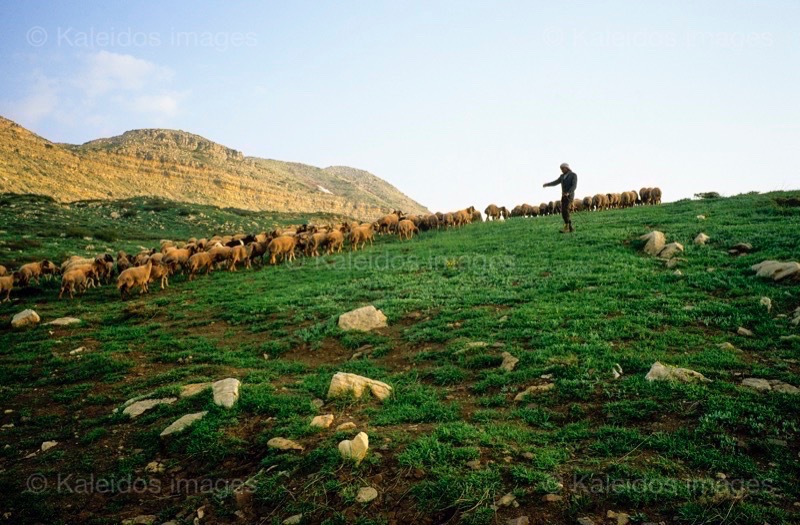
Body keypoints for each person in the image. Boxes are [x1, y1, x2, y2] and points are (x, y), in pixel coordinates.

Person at [543, 163, 578, 233]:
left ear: (567, 168)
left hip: (569, 196)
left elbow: (574, 186)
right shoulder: (562, 176)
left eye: (562, 169)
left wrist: (568, 192)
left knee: (566, 210)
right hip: (563, 196)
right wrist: (547, 184)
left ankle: (567, 227)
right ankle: (570, 227)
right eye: (561, 169)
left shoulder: (573, 175)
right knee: (563, 211)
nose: (561, 170)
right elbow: (555, 182)